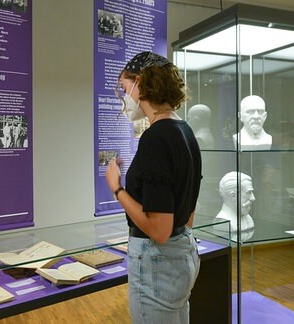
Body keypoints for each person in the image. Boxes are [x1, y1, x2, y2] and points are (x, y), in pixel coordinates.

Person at [105, 51, 202, 323]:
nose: (125, 98)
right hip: (182, 254)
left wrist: (117, 189)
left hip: (158, 261)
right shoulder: (184, 131)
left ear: (140, 83)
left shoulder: (155, 138)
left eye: (125, 89)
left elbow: (159, 230)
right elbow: (189, 210)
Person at [215, 171, 255, 242]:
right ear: (233, 196)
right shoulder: (223, 222)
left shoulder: (248, 219)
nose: (253, 198)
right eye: (248, 192)